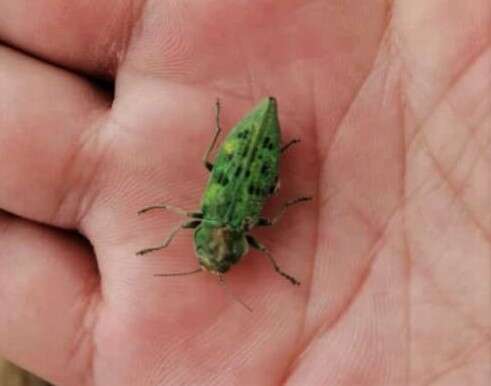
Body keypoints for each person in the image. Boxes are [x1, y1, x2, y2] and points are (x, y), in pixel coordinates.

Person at [0, 1, 489, 385]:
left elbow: (198, 215)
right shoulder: (219, 219)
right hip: (255, 148)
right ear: (228, 243)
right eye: (220, 261)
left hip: (255, 145)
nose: (214, 262)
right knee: (251, 185)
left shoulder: (235, 222)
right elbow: (187, 213)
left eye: (211, 258)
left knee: (258, 189)